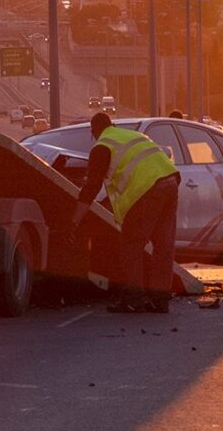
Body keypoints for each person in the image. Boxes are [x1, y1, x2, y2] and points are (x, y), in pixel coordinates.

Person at [77, 111, 181, 314]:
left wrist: (75, 219)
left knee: (131, 246)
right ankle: (160, 300)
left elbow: (91, 187)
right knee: (163, 246)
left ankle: (134, 299)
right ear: (112, 124)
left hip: (148, 188)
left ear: (94, 132)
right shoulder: (132, 135)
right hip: (171, 181)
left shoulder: (102, 147)